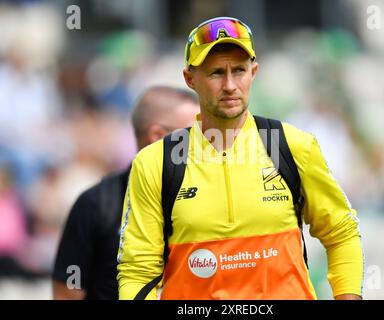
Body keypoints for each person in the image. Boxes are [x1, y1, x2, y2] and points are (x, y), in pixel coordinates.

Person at [117, 17, 364, 300]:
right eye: (216, 73)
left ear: (254, 72)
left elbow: (342, 231)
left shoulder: (293, 145)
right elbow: (138, 269)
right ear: (190, 79)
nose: (230, 85)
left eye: (239, 70)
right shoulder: (156, 162)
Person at [52, 86, 199, 299]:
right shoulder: (96, 204)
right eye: (194, 134)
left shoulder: (206, 198)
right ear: (157, 136)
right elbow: (68, 291)